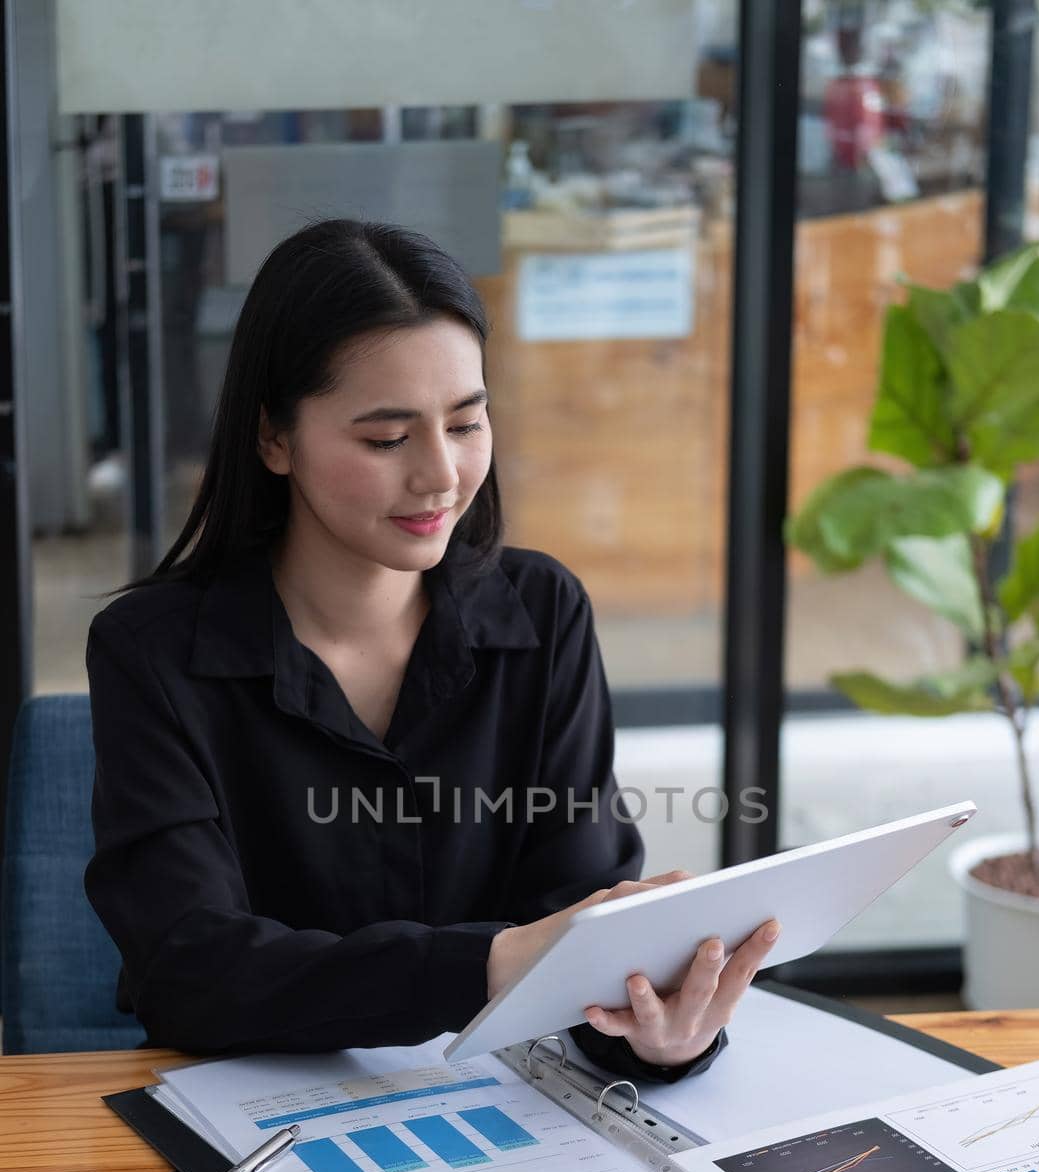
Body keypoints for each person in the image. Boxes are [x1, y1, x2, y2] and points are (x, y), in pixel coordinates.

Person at [84, 217, 780, 1082]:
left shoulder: (543, 611)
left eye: (465, 423)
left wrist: (653, 1031)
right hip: (245, 1122)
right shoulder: (151, 651)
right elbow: (188, 970)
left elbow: (575, 922)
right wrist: (491, 964)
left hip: (499, 1127)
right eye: (386, 438)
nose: (441, 475)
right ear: (273, 438)